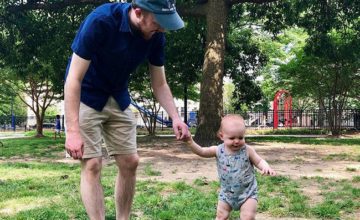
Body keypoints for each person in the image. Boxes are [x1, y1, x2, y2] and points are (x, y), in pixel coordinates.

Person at [64, 0, 190, 219]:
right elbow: (73, 78)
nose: (162, 28)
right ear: (138, 12)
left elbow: (159, 84)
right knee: (92, 163)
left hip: (117, 95)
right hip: (86, 95)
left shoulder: (156, 35)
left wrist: (175, 117)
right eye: (158, 22)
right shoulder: (101, 21)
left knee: (130, 161)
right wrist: (72, 131)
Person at [184, 114, 276, 220]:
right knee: (221, 216)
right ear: (221, 136)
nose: (236, 141)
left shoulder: (247, 150)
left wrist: (266, 167)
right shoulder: (218, 150)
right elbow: (202, 151)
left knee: (248, 217)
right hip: (227, 193)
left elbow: (259, 161)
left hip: (248, 193)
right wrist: (190, 142)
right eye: (232, 138)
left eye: (240, 137)